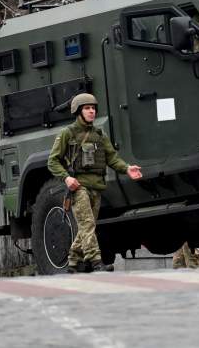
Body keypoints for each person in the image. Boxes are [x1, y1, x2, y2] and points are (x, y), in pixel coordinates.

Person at [48, 93, 142, 273]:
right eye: (87, 108)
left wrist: (127, 168)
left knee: (87, 225)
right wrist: (66, 178)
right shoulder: (68, 134)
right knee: (88, 224)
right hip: (79, 187)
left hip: (96, 187)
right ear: (78, 111)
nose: (91, 111)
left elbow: (112, 158)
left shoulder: (99, 134)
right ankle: (96, 262)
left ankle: (73, 260)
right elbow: (52, 161)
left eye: (93, 108)